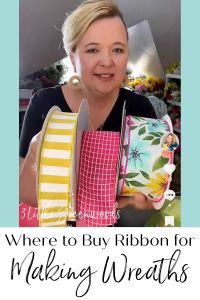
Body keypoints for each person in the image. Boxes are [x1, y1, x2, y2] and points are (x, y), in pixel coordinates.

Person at [20, 0, 157, 226]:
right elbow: (25, 196)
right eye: (93, 49)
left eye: (117, 49)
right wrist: (38, 153)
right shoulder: (44, 105)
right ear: (73, 58)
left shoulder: (140, 110)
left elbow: (152, 194)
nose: (107, 61)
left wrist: (140, 202)